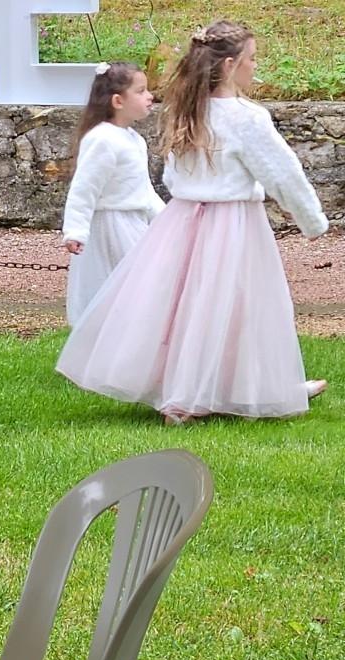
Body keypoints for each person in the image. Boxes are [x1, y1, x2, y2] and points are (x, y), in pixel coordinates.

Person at [56, 20, 330, 425]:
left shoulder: (183, 111)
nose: (256, 68)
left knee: (187, 306)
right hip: (232, 222)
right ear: (232, 64)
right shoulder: (245, 118)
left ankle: (191, 394)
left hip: (182, 220)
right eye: (252, 60)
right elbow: (282, 172)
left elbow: (172, 176)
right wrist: (313, 221)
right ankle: (234, 392)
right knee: (239, 304)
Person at [62, 61, 164, 326]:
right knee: (117, 286)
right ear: (118, 101)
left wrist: (166, 218)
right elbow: (85, 188)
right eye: (141, 91)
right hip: (110, 227)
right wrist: (75, 229)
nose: (149, 96)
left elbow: (142, 188)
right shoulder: (102, 139)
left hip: (134, 223)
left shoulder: (133, 139)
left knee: (142, 287)